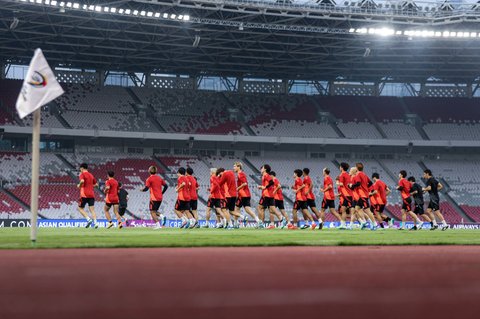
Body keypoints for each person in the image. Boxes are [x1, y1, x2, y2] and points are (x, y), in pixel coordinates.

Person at [233, 162, 261, 227]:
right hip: (243, 194)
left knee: (240, 209)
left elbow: (245, 183)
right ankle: (257, 221)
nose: (233, 168)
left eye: (234, 166)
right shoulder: (239, 174)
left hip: (243, 194)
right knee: (242, 209)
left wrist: (237, 188)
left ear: (238, 167)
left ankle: (236, 223)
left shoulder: (241, 174)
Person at [140, 165, 168, 230]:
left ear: (149, 171)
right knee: (155, 211)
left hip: (154, 198)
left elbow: (146, 188)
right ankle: (162, 216)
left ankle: (158, 225)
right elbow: (166, 186)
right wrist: (162, 193)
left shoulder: (149, 179)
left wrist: (141, 189)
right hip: (160, 197)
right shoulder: (159, 178)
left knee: (152, 212)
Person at [257, 164, 284, 228]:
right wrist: (262, 187)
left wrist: (264, 187)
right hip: (270, 195)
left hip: (266, 195)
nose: (261, 169)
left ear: (265, 169)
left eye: (262, 168)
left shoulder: (266, 175)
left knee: (259, 208)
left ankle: (260, 223)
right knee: (273, 209)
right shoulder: (264, 176)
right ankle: (282, 218)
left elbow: (271, 182)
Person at [77, 163, 99, 229]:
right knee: (92, 210)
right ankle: (95, 223)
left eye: (80, 168)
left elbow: (82, 181)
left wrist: (79, 185)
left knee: (80, 208)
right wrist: (91, 186)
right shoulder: (91, 175)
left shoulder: (82, 174)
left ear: (82, 168)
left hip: (84, 194)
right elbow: (97, 185)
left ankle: (88, 219)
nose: (80, 170)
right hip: (91, 194)